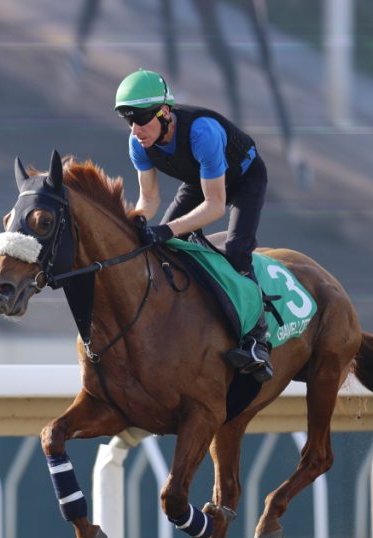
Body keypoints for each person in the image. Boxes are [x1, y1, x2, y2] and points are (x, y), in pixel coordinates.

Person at [114, 68, 273, 383]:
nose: (135, 130)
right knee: (162, 249)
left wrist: (168, 229)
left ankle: (258, 339)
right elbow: (149, 200)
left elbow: (215, 205)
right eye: (128, 120)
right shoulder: (138, 142)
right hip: (200, 181)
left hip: (245, 179)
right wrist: (133, 224)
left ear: (165, 113)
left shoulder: (202, 132)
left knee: (237, 251)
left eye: (141, 119)